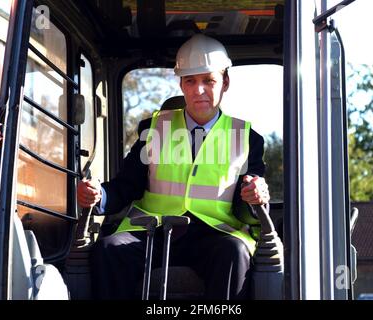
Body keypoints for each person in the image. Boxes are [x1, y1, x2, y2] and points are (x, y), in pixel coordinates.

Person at [77, 34, 270, 300]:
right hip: (152, 230)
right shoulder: (154, 129)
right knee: (109, 249)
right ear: (181, 84)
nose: (198, 90)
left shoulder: (247, 137)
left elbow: (247, 208)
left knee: (234, 253)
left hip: (213, 234)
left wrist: (254, 198)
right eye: (190, 81)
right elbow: (126, 185)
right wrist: (99, 196)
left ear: (225, 82)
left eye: (208, 80)